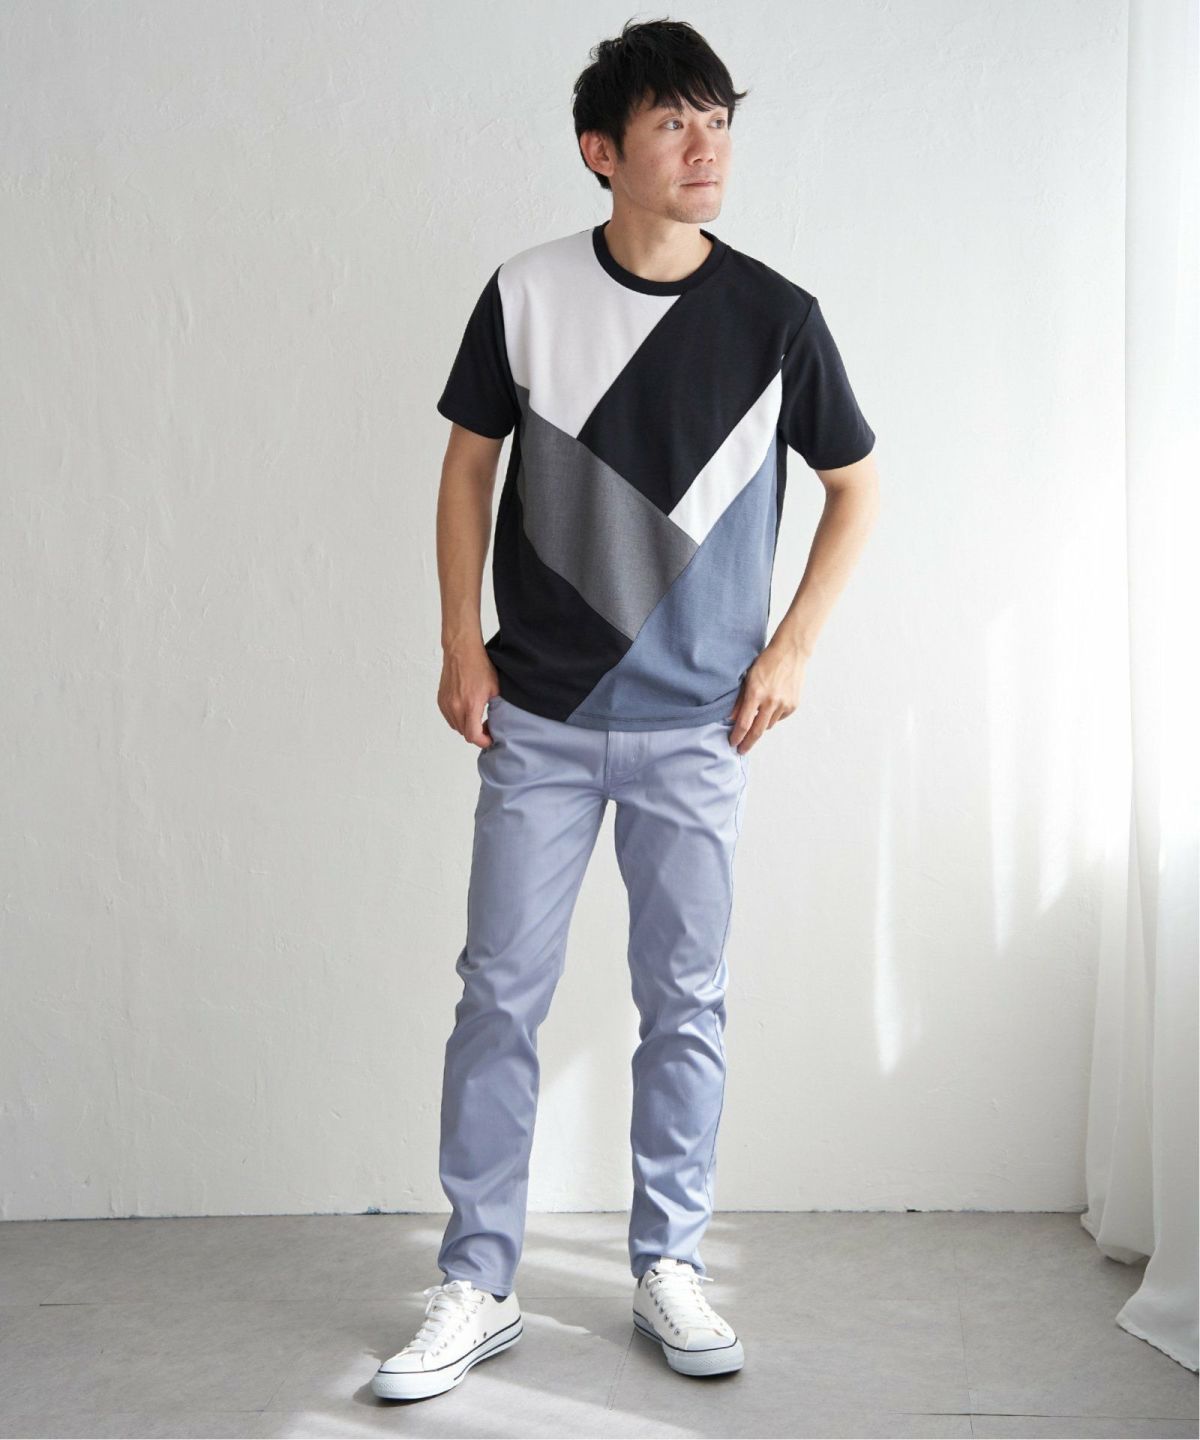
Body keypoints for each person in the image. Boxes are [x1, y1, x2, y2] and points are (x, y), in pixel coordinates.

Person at [372, 16, 879, 1403]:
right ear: (602, 150)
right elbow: (467, 469)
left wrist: (792, 651)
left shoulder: (777, 319)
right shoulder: (527, 292)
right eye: (673, 122)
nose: (706, 145)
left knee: (684, 1001)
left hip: (699, 726)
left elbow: (857, 488)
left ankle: (671, 1262)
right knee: (499, 996)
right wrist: (457, 643)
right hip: (535, 716)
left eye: (719, 119)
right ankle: (479, 1280)